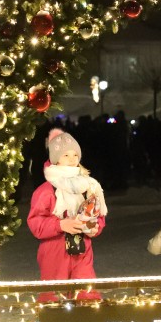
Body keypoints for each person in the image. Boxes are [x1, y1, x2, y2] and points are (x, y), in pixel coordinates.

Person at [27, 128, 108, 302]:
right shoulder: (46, 191)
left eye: (75, 155)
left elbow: (98, 216)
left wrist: (93, 227)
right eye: (65, 155)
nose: (72, 159)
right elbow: (36, 223)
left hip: (82, 250)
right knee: (55, 297)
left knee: (86, 295)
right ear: (55, 158)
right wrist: (60, 225)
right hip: (54, 252)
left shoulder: (89, 187)